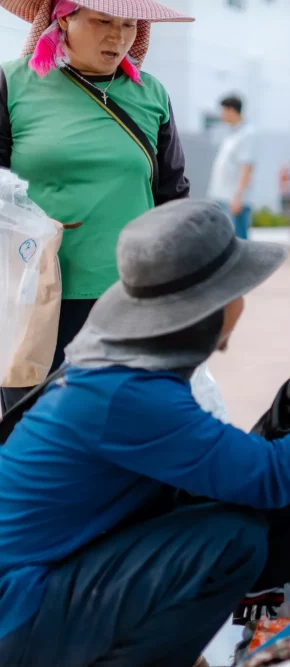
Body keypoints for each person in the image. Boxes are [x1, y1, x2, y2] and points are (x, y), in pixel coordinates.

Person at [0, 199, 290, 667]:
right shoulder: (129, 393)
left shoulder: (117, 368)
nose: (243, 303)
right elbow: (268, 478)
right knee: (232, 541)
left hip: (31, 585)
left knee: (205, 510)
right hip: (20, 610)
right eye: (238, 290)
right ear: (209, 307)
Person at [0, 0, 193, 413]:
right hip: (35, 295)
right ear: (64, 19)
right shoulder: (12, 83)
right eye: (103, 21)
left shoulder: (151, 94)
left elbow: (173, 196)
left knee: (120, 424)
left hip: (129, 296)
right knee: (32, 426)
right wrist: (32, 225)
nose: (117, 36)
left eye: (128, 24)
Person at [208, 93, 256, 240]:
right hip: (222, 196)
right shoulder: (232, 134)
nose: (221, 116)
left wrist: (238, 197)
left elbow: (247, 166)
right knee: (223, 240)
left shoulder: (247, 134)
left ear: (231, 110)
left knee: (239, 241)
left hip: (234, 199)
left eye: (223, 111)